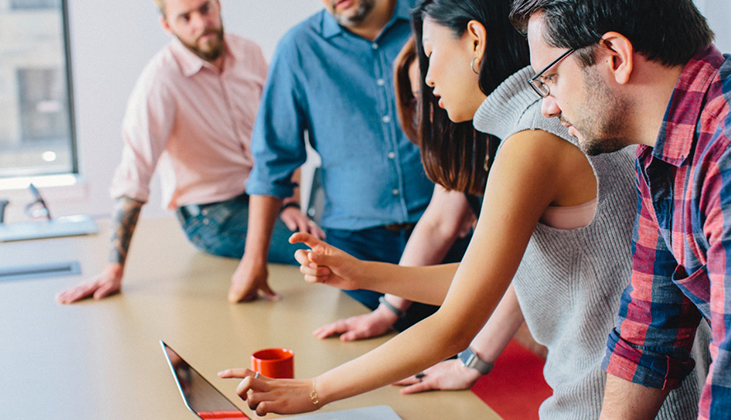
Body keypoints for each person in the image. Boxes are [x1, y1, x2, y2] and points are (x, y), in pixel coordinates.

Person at [217, 0, 708, 417]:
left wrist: (314, 390)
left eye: (432, 54)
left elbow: (454, 324)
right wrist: (364, 273)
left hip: (612, 402)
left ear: (475, 40)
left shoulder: (533, 139)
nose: (427, 77)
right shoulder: (541, 125)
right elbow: (492, 278)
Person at [508, 1, 731, 419]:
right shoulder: (660, 152)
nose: (548, 106)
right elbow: (649, 332)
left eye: (551, 79)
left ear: (615, 56)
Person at [55, 0, 319, 304]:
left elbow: (280, 137)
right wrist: (113, 269)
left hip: (266, 197)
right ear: (167, 26)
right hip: (212, 214)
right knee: (318, 250)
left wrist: (289, 203)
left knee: (340, 236)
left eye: (205, 9)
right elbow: (134, 176)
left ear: (218, 6)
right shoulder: (160, 81)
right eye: (185, 17)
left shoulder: (250, 53)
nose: (200, 22)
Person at [228, 0, 440, 328]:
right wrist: (254, 260)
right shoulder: (298, 49)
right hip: (354, 245)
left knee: (449, 363)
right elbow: (273, 161)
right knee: (365, 362)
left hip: (447, 231)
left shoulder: (434, 18)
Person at [312, 37, 480, 341]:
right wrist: (386, 311)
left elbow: (505, 280)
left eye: (432, 92)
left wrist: (472, 362)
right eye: (417, 99)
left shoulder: (515, 141)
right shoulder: (465, 147)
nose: (430, 110)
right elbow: (440, 223)